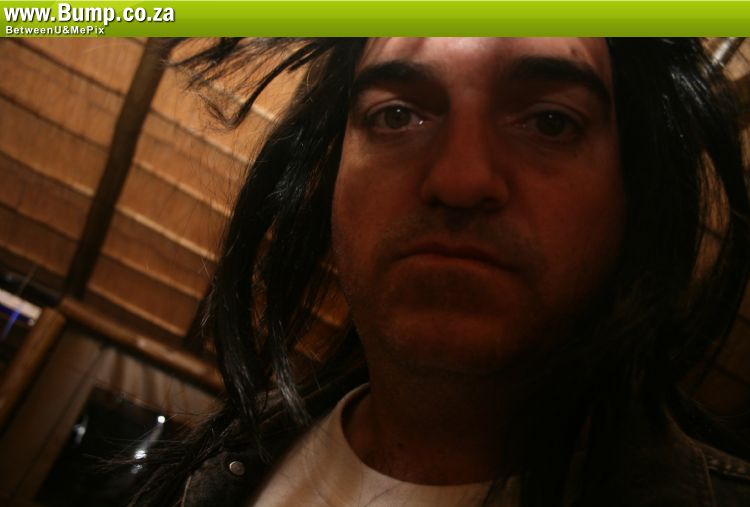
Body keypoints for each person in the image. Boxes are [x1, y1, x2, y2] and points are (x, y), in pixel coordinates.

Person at [131, 38, 750, 506]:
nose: (459, 180)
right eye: (396, 115)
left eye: (551, 122)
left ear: (633, 194)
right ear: (332, 176)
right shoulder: (214, 471)